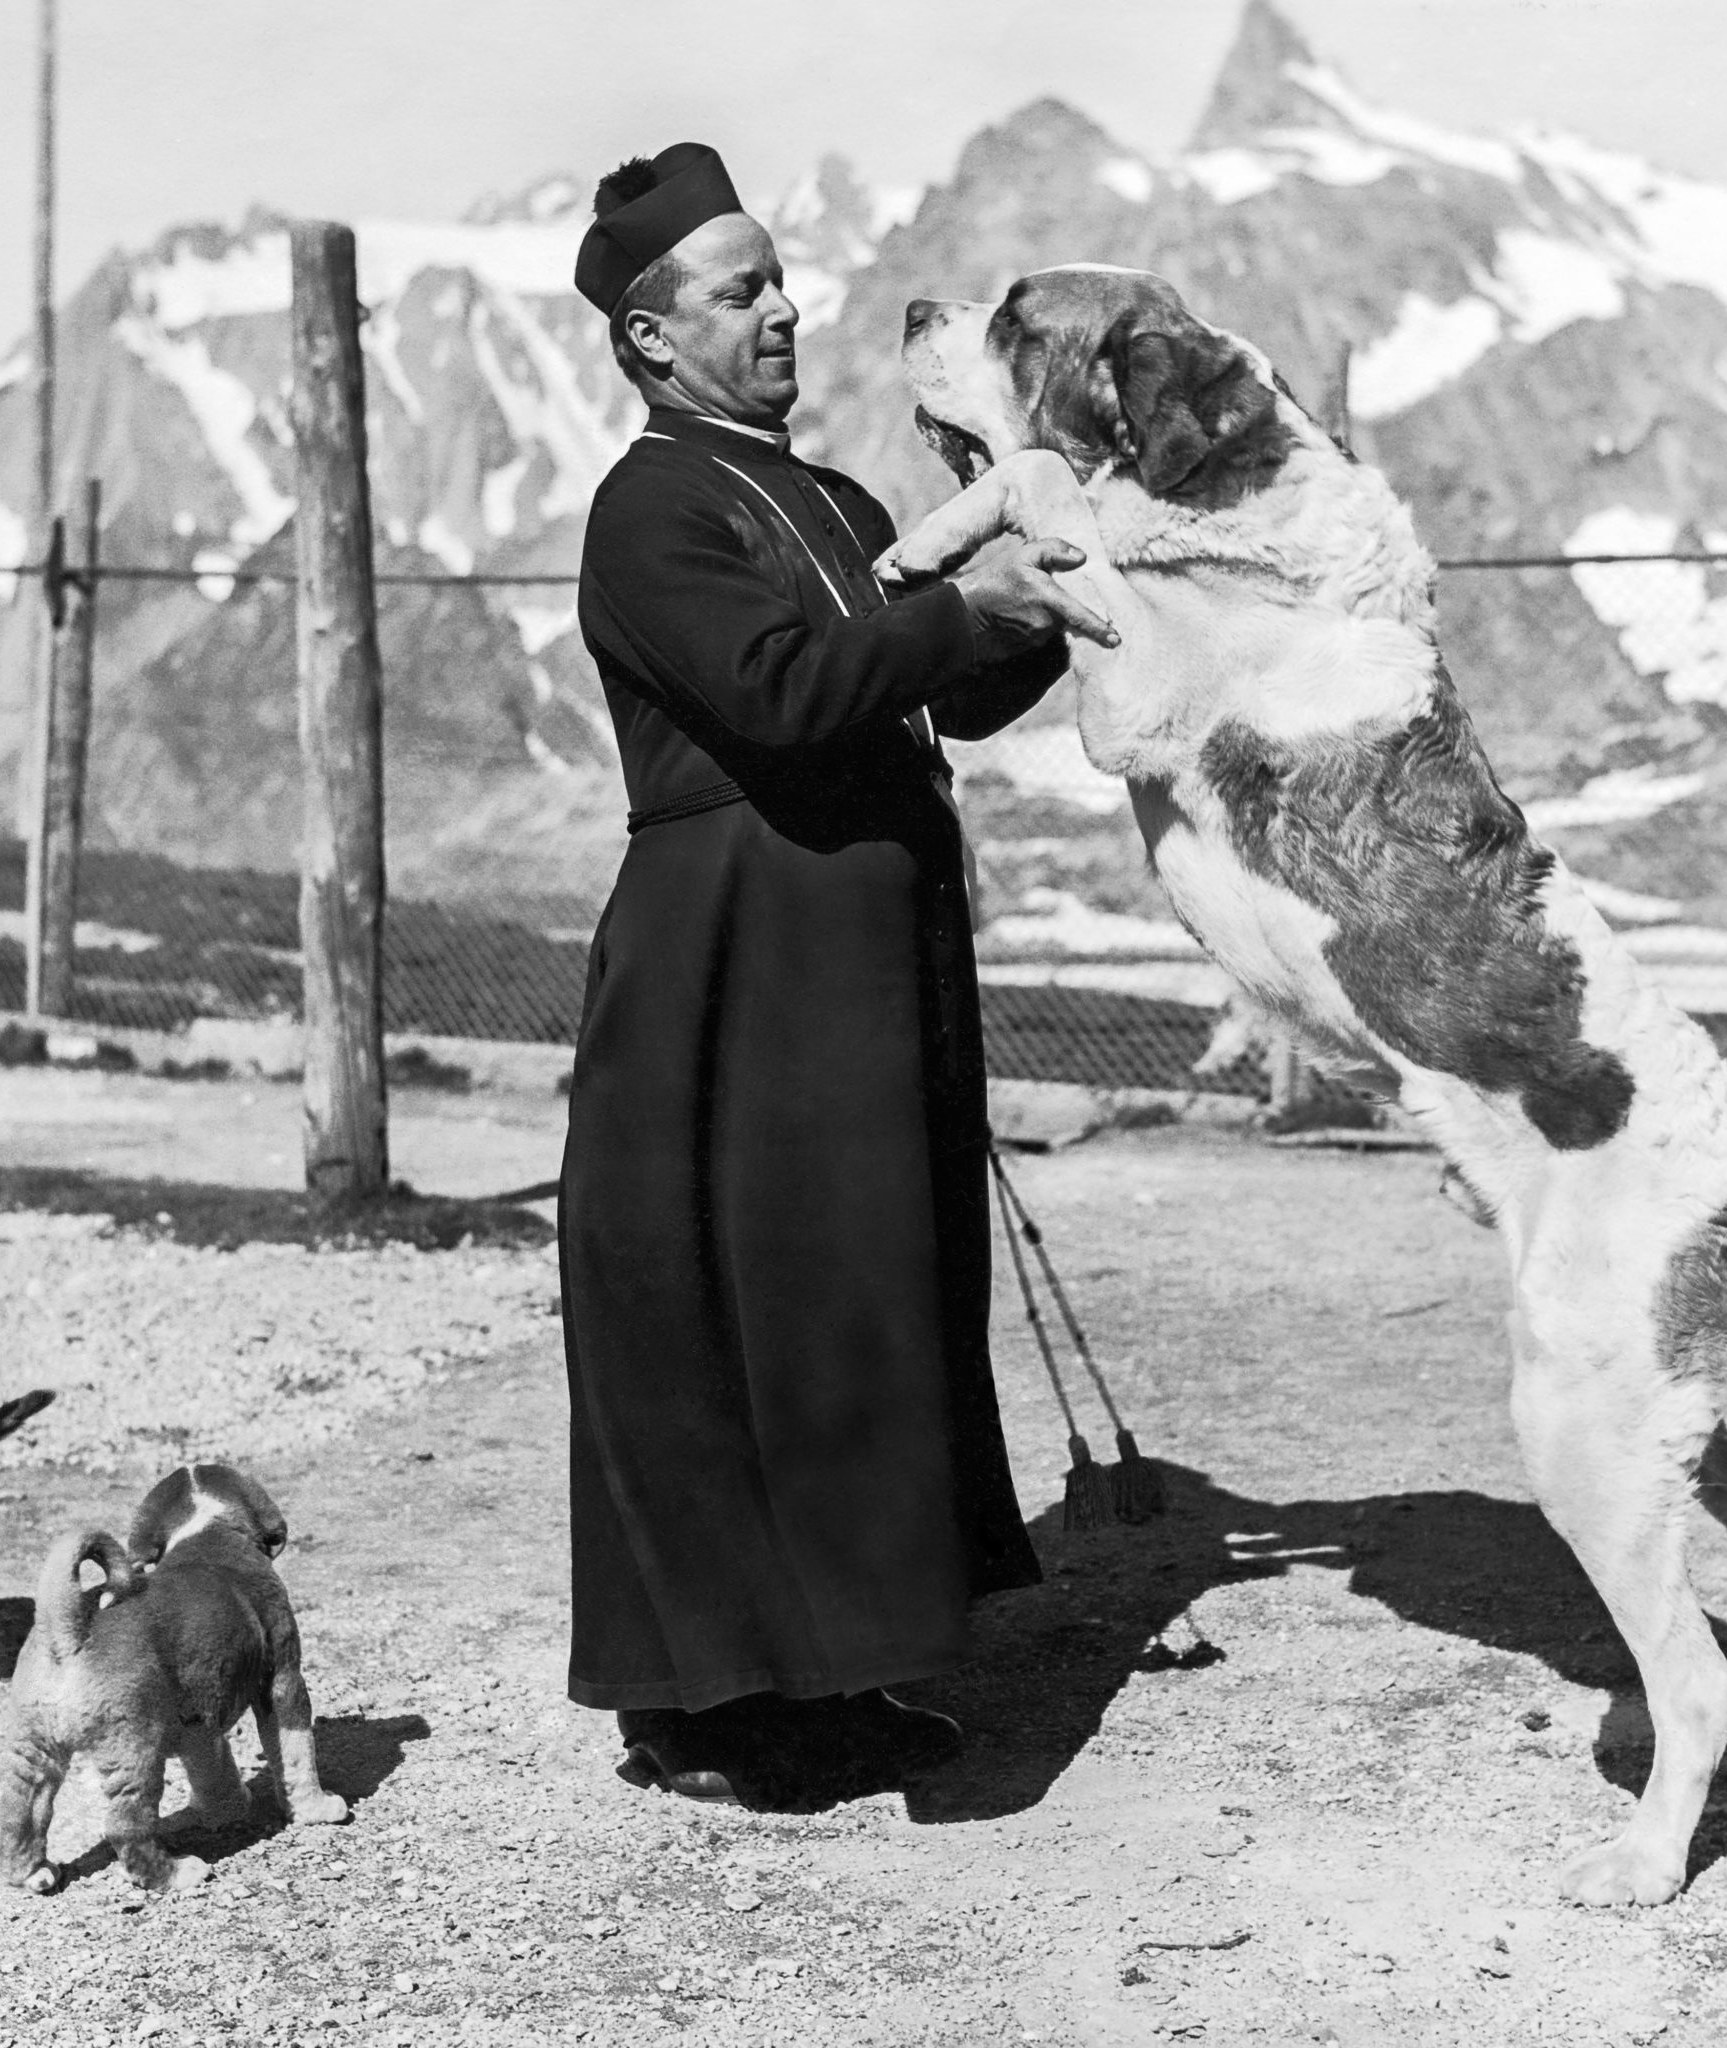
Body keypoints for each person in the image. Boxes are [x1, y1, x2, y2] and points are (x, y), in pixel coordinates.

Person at [559, 141, 1114, 1806]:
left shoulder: (838, 500)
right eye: (741, 291)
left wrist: (1031, 580)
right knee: (733, 1316)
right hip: (734, 972)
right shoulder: (650, 510)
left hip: (859, 970)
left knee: (851, 1305)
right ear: (655, 341)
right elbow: (791, 694)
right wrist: (971, 608)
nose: (786, 308)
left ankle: (845, 1669)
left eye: (779, 277)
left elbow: (952, 692)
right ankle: (710, 1705)